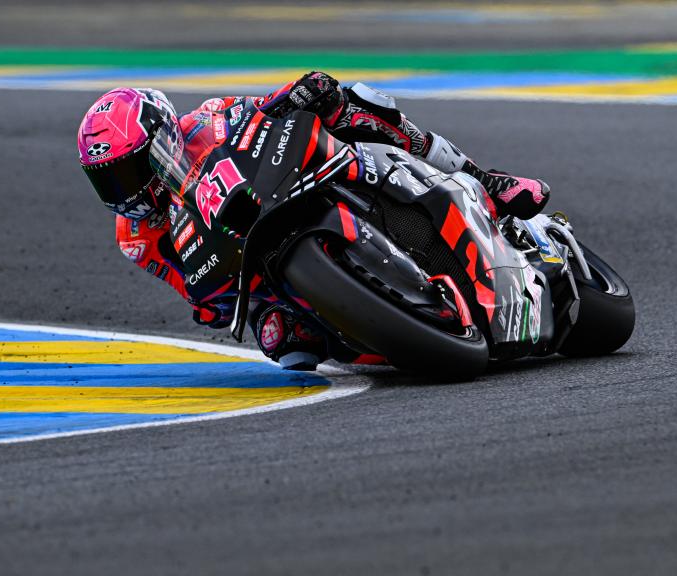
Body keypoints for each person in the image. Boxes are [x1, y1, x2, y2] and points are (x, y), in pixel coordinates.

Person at [77, 72, 550, 370]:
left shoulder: (205, 121)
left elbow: (259, 112)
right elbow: (207, 305)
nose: (129, 191)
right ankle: (397, 321)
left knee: (349, 100)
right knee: (284, 344)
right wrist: (233, 307)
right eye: (110, 182)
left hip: (286, 184)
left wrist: (298, 93)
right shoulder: (137, 238)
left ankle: (483, 180)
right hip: (251, 269)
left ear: (164, 137)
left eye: (132, 171)